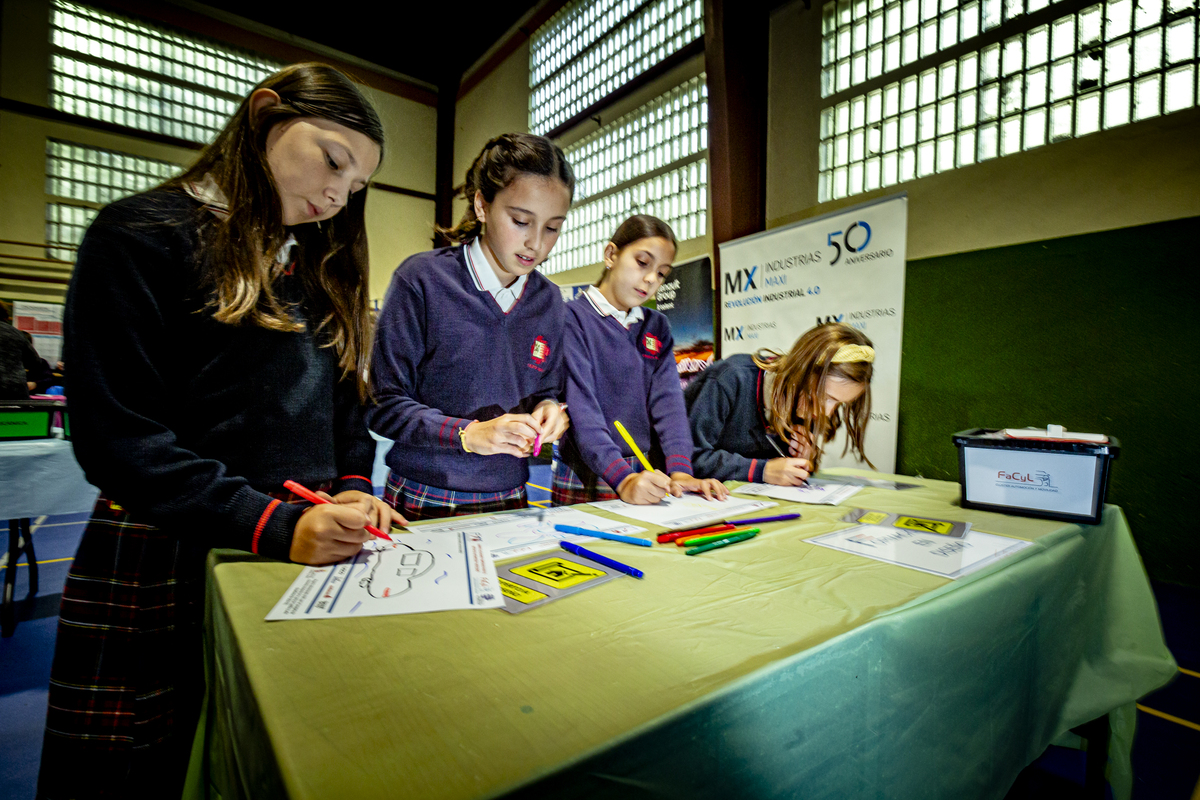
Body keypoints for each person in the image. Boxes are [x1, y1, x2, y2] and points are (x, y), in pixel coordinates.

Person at [38, 63, 402, 800]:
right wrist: (270, 523)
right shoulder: (142, 236)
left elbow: (345, 412)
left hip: (301, 539)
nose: (336, 193)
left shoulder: (317, 270)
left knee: (267, 755)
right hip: (172, 545)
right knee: (144, 762)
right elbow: (120, 438)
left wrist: (358, 490)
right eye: (332, 160)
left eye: (356, 186)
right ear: (264, 114)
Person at [367, 133, 573, 520]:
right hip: (423, 494)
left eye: (552, 228)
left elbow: (546, 387)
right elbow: (384, 405)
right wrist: (467, 434)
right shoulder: (423, 280)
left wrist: (550, 408)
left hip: (511, 496)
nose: (535, 243)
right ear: (481, 205)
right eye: (520, 221)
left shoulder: (549, 301)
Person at [552, 215, 727, 505]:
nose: (650, 279)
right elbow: (584, 414)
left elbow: (669, 403)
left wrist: (681, 471)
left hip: (643, 472)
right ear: (611, 255)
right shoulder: (572, 318)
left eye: (661, 273)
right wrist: (622, 478)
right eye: (643, 263)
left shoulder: (656, 326)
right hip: (592, 470)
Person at [685, 322, 874, 484]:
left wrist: (803, 460)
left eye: (839, 403)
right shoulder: (730, 378)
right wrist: (763, 471)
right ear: (801, 372)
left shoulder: (808, 404)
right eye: (825, 397)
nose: (828, 412)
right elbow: (688, 458)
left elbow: (783, 472)